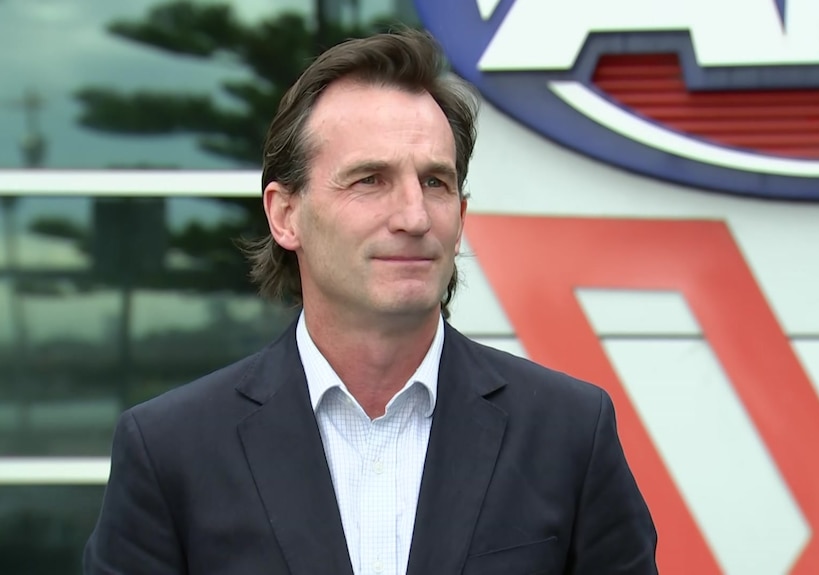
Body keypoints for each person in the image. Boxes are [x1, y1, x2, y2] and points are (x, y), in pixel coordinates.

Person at [83, 29, 657, 575]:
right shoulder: (172, 451)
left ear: (461, 217)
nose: (413, 217)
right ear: (286, 215)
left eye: (435, 182)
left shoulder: (569, 433)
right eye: (369, 180)